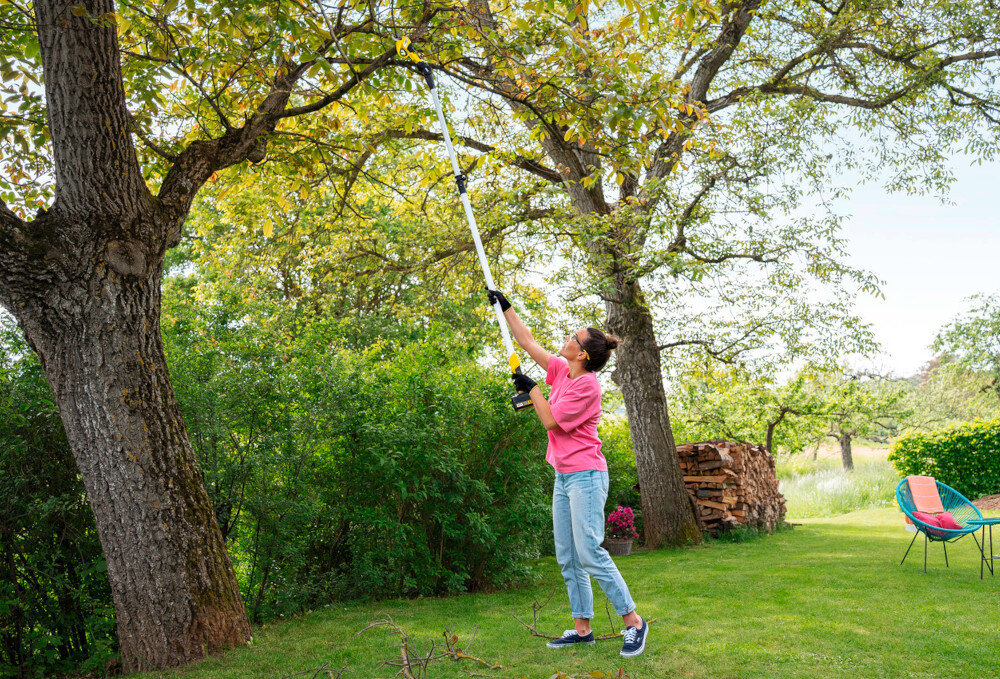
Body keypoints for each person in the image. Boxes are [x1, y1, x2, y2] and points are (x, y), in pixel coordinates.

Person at [487, 288, 648, 659]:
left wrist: (531, 390)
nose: (565, 339)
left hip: (587, 476)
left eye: (572, 338)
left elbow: (550, 421)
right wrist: (506, 306)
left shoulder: (587, 386)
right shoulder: (561, 370)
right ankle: (582, 629)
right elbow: (527, 342)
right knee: (567, 556)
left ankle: (634, 623)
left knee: (589, 552)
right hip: (563, 475)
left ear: (583, 354)